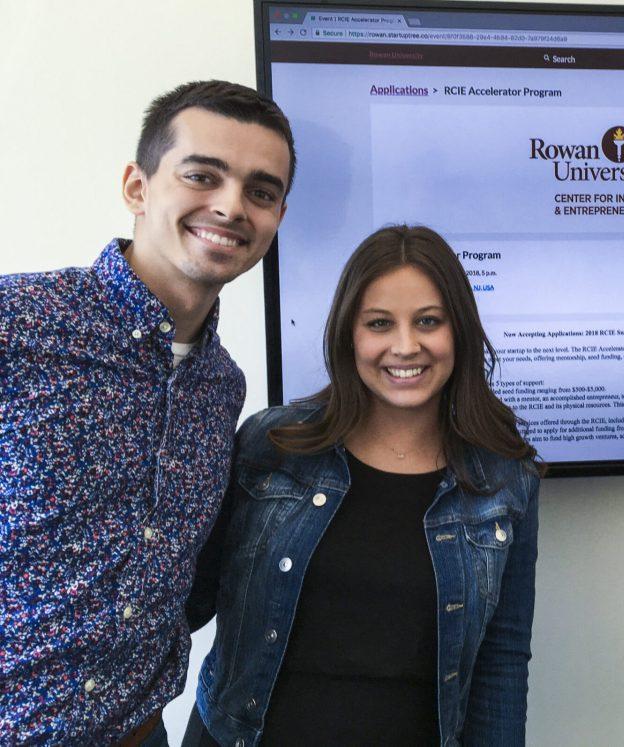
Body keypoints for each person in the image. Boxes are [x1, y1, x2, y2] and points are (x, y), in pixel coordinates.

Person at [0, 81, 294, 745]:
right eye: (201, 175)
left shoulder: (221, 386)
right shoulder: (17, 326)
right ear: (137, 187)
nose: (230, 206)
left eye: (261, 191)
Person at [183, 225, 542, 746]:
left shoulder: (505, 478)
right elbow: (182, 602)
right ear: (349, 332)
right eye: (379, 323)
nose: (405, 346)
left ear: (458, 330)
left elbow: (503, 659)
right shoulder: (270, 445)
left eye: (428, 321)